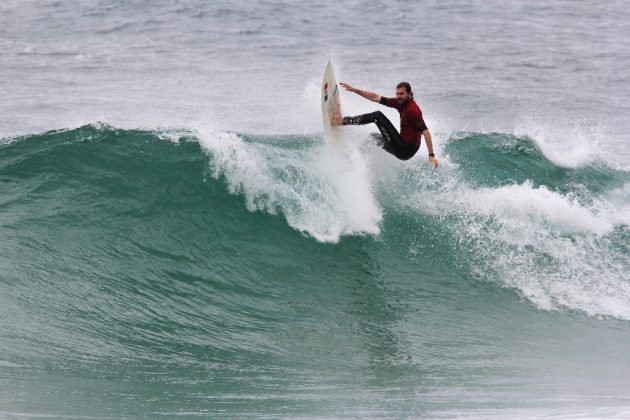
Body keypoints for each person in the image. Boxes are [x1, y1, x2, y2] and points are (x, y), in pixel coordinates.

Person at [333, 81, 438, 167]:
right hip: (403, 148)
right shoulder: (400, 103)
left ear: (409, 94)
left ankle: (341, 121)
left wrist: (431, 155)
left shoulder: (413, 110)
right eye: (397, 93)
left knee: (377, 116)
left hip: (405, 148)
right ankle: (356, 162)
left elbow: (426, 133)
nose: (399, 96)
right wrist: (356, 90)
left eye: (402, 94)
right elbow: (375, 98)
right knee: (373, 138)